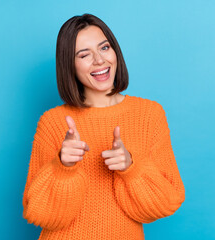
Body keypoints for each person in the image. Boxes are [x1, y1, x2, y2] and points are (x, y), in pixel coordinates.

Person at [22, 13, 185, 240]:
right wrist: (62, 167)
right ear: (69, 64)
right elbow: (38, 213)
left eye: (104, 48)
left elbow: (167, 202)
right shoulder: (53, 122)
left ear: (115, 51)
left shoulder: (149, 114)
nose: (99, 60)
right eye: (84, 55)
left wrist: (131, 168)